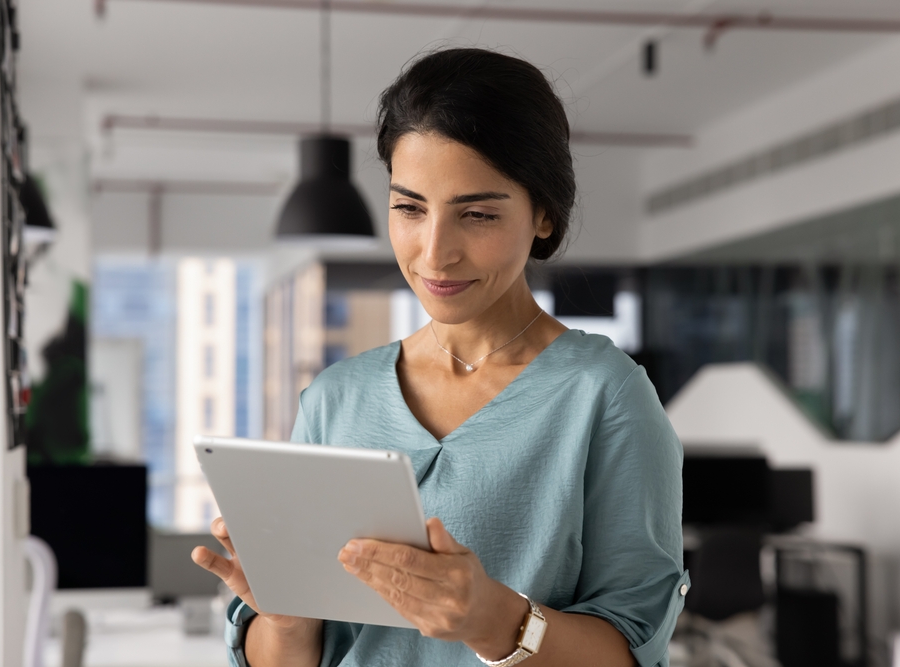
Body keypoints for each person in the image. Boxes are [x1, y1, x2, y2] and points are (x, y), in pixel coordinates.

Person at [192, 47, 689, 667]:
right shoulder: (335, 399)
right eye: (408, 208)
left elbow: (632, 651)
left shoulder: (604, 396)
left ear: (543, 214)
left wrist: (493, 621)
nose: (434, 253)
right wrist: (285, 618)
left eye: (476, 214)